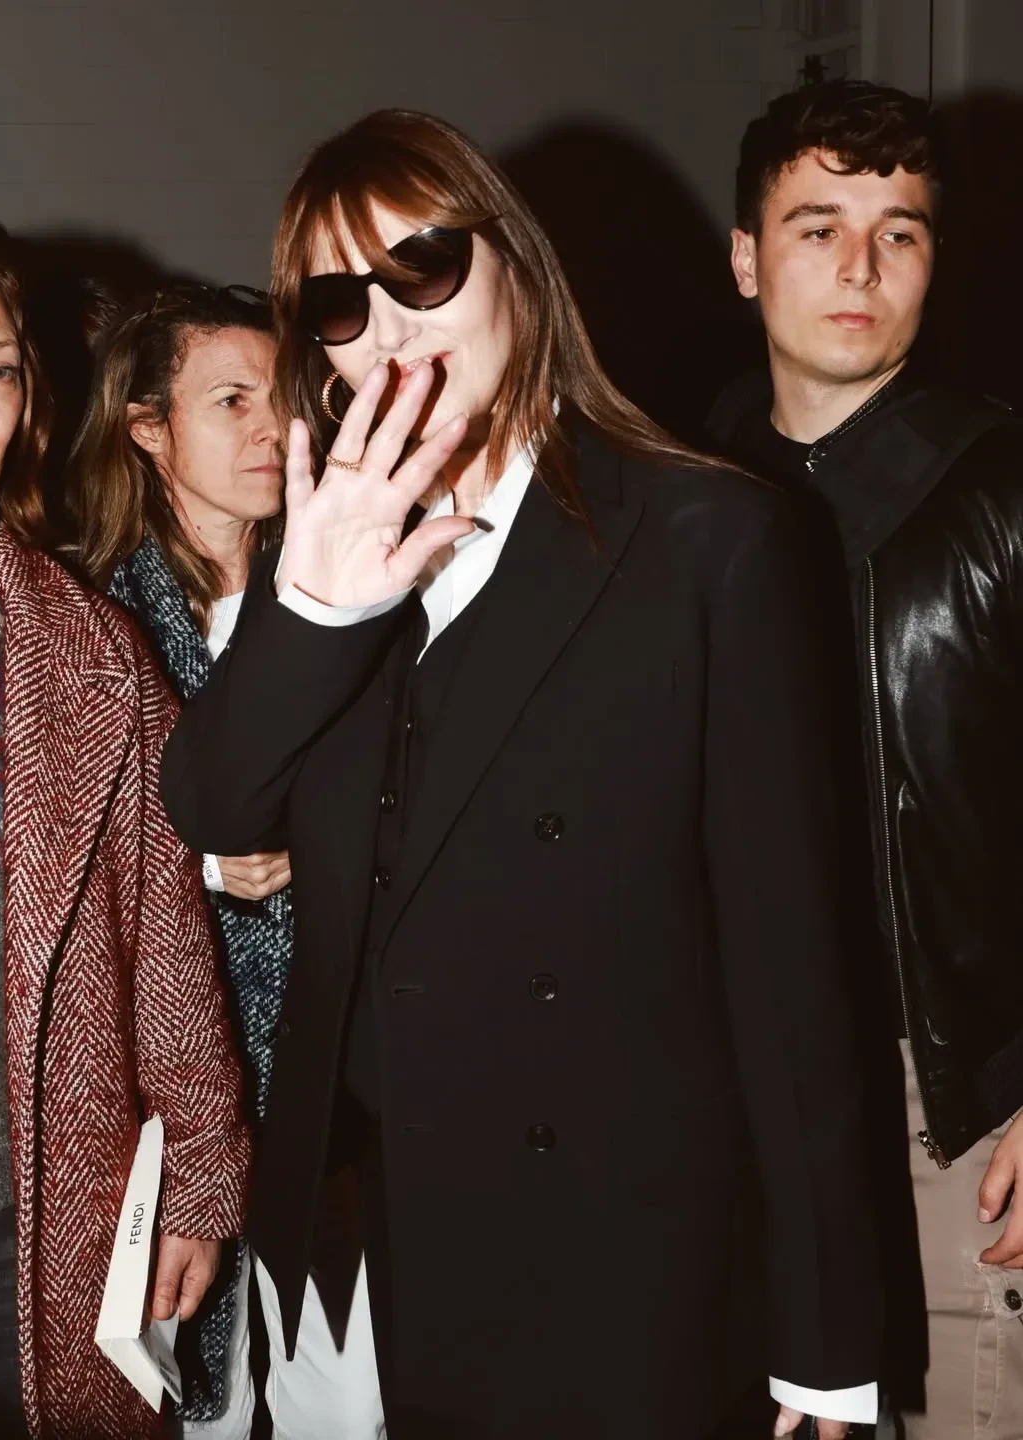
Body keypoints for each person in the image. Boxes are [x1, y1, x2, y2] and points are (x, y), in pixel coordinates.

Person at [160, 108, 881, 1440]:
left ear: (516, 268)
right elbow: (213, 804)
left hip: (607, 1245)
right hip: (364, 1236)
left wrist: (827, 1336)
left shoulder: (708, 538)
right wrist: (316, 609)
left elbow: (791, 969)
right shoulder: (326, 538)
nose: (387, 326)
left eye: (423, 268)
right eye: (339, 302)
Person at [709, 79, 1023, 1439]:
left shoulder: (999, 483)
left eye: (900, 232)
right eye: (818, 226)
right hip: (722, 1096)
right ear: (745, 258)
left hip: (949, 1098)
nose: (860, 266)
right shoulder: (671, 495)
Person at [0, 223, 250, 1436]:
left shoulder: (91, 658)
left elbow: (166, 947)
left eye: (0, 370)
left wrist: (199, 1182)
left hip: (24, 1221)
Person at [71, 281, 384, 1440]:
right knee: (190, 1398)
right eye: (231, 401)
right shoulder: (92, 622)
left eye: (283, 398)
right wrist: (202, 873)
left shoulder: (351, 597)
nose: (272, 428)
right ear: (149, 429)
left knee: (348, 1403)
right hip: (172, 1099)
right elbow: (65, 864)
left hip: (336, 1083)